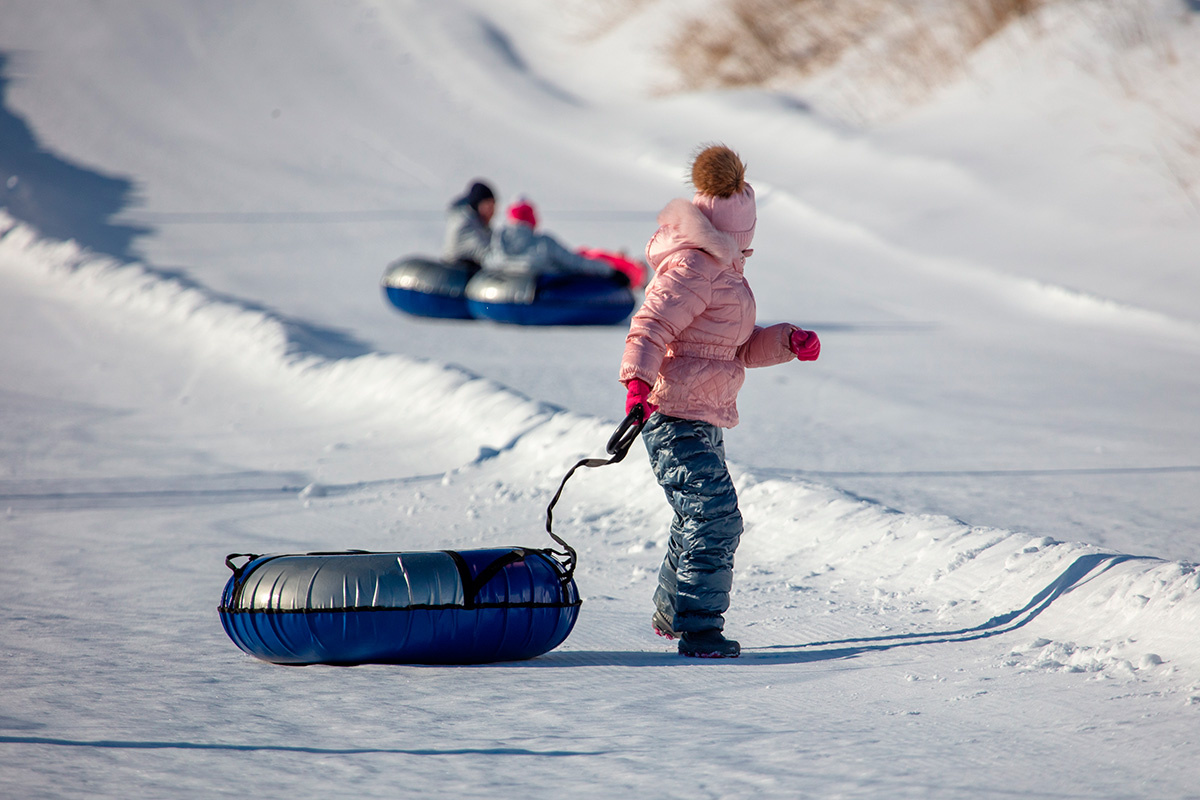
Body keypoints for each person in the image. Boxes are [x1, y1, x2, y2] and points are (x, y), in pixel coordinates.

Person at [619, 144, 822, 658]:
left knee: (697, 514)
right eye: (746, 245)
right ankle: (699, 626)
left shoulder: (722, 269)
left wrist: (786, 341)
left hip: (702, 416)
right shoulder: (693, 267)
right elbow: (650, 325)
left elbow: (731, 348)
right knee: (716, 515)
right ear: (731, 233)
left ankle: (673, 611)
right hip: (671, 416)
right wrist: (638, 385)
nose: (748, 254)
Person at [483, 198, 628, 283]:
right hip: (543, 299)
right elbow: (576, 262)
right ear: (531, 219)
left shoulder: (497, 240)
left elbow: (487, 260)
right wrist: (610, 271)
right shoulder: (543, 243)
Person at [442, 180, 496, 268]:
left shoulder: (481, 225)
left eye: (494, 206)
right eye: (488, 206)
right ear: (478, 205)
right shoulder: (464, 224)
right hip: (457, 274)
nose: (493, 211)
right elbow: (485, 253)